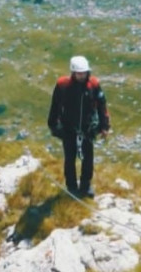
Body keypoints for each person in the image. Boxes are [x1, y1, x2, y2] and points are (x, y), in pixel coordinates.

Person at [47, 55, 111, 197]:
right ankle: (71, 187)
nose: (82, 76)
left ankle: (85, 186)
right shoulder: (63, 86)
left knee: (88, 159)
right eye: (79, 73)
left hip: (88, 129)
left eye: (84, 73)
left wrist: (104, 126)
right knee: (70, 159)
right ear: (73, 72)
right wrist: (53, 126)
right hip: (68, 129)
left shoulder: (93, 85)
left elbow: (102, 106)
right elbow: (55, 106)